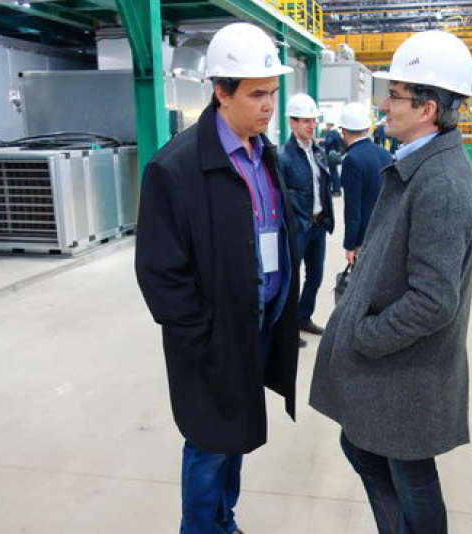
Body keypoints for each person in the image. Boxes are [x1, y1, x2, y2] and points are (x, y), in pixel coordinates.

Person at [310, 29, 472, 534]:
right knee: (365, 447)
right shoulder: (419, 164)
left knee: (409, 471)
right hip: (400, 366)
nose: (384, 106)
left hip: (407, 367)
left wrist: (365, 334)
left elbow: (433, 300)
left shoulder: (440, 182)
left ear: (427, 109)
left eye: (395, 96)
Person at [135, 22, 300, 534]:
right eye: (256, 94)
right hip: (212, 336)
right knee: (209, 442)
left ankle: (223, 521)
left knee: (237, 435)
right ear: (221, 93)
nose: (268, 106)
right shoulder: (175, 169)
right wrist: (202, 335)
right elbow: (160, 273)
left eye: (272, 92)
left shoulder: (264, 154)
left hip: (257, 324)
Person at [278, 93, 335, 343]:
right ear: (292, 122)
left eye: (313, 120)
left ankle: (303, 317)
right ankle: (288, 326)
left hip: (318, 225)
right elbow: (281, 198)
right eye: (305, 121)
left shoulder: (318, 151)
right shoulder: (283, 157)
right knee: (291, 279)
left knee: (316, 275)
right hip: (298, 228)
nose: (311, 125)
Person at [337, 102, 391, 266]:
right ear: (368, 128)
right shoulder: (384, 154)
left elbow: (353, 209)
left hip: (365, 238)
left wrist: (350, 245)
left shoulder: (352, 159)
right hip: (387, 233)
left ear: (344, 131)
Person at [322, 120, 343, 195]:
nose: (326, 126)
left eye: (327, 125)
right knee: (334, 172)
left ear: (330, 125)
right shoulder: (335, 132)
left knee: (333, 172)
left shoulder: (332, 132)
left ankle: (336, 190)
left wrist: (321, 142)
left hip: (332, 155)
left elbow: (329, 142)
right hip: (334, 154)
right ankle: (335, 189)